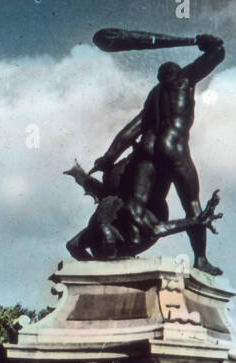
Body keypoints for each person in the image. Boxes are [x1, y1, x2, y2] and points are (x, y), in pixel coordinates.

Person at [87, 34, 227, 274]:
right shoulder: (185, 80)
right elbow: (217, 55)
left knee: (136, 205)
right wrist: (210, 43)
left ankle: (126, 240)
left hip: (146, 149)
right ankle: (201, 260)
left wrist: (108, 157)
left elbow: (130, 131)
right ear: (176, 73)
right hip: (173, 148)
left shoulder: (153, 96)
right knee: (192, 204)